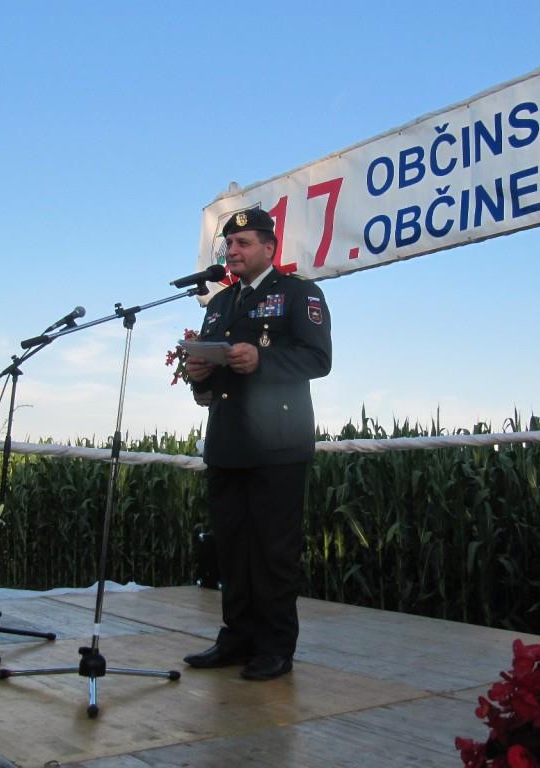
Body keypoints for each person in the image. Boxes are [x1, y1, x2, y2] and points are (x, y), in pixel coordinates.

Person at [183, 207, 332, 681]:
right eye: (229, 244)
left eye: (243, 243)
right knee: (231, 547)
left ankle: (274, 646)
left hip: (277, 444)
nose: (233, 251)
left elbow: (318, 359)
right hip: (227, 441)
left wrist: (262, 359)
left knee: (272, 550)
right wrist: (198, 374)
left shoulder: (299, 294)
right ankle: (237, 637)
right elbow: (212, 381)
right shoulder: (220, 304)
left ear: (270, 248)